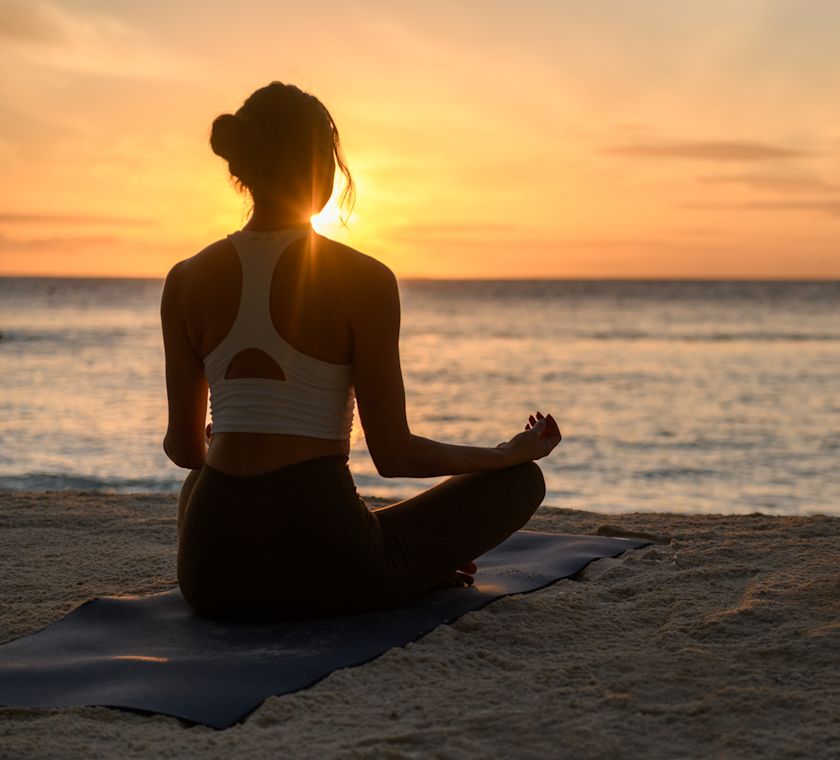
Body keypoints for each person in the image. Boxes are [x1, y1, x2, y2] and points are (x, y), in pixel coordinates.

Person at [161, 81, 562, 621]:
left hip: (212, 579)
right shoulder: (365, 279)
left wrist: (233, 444)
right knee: (520, 483)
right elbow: (394, 455)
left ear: (244, 169)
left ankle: (408, 561)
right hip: (333, 570)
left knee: (202, 479)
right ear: (321, 168)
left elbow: (186, 451)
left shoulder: (184, 280)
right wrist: (505, 455)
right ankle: (416, 569)